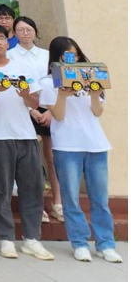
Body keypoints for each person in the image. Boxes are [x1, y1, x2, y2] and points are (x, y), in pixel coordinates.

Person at [0, 23, 53, 260]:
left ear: (8, 42)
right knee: (1, 191)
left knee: (33, 189)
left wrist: (25, 95)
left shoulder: (21, 66)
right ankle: (6, 239)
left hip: (26, 136)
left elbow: (34, 103)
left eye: (1, 38)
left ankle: (32, 239)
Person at [40, 37, 122, 263]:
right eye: (67, 55)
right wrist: (62, 94)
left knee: (100, 198)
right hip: (67, 146)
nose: (72, 59)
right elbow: (58, 115)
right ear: (56, 56)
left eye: (74, 55)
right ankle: (79, 243)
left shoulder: (90, 76)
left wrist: (95, 93)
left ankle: (106, 244)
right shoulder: (48, 82)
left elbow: (97, 112)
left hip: (96, 144)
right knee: (71, 199)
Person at [9, 16, 60, 223]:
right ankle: (36, 207)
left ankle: (58, 203)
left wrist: (49, 111)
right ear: (14, 33)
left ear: (35, 32)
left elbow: (57, 84)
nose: (25, 33)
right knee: (30, 161)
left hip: (49, 109)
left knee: (52, 157)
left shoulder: (47, 56)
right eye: (20, 29)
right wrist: (32, 110)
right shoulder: (9, 56)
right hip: (22, 109)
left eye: (29, 29)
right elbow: (12, 88)